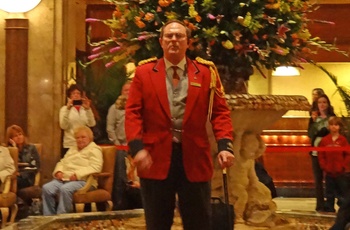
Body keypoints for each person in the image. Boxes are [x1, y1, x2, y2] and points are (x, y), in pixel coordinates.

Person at [125, 19, 235, 230]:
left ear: (188, 42)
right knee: (157, 223)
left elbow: (220, 112)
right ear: (161, 41)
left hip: (194, 158)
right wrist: (137, 148)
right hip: (154, 159)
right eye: (169, 36)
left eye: (179, 36)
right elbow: (133, 113)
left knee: (199, 222)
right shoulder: (144, 73)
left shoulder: (205, 73)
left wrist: (224, 145)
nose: (174, 40)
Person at [41, 126, 103, 215]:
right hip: (65, 179)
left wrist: (77, 175)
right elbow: (62, 162)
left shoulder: (95, 149)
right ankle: (48, 217)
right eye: (77, 138)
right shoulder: (72, 149)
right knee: (46, 188)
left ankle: (62, 217)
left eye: (83, 137)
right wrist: (59, 171)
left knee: (65, 189)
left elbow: (96, 167)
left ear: (90, 138)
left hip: (84, 181)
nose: (80, 140)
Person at [308, 94, 336, 212]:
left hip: (329, 151)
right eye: (320, 102)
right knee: (318, 179)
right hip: (316, 151)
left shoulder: (332, 118)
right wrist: (314, 122)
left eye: (324, 102)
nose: (322, 105)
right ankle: (319, 204)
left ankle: (330, 204)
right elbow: (310, 134)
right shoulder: (313, 118)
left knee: (330, 179)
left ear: (328, 104)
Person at [318, 116, 350, 212]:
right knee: (329, 192)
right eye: (331, 125)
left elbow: (348, 154)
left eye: (336, 125)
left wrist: (344, 166)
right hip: (329, 172)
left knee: (342, 192)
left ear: (339, 127)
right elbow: (321, 155)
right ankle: (329, 209)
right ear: (328, 126)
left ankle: (343, 210)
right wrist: (324, 166)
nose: (334, 127)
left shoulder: (343, 140)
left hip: (341, 172)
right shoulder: (325, 140)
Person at [5, 125, 41, 201]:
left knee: (13, 181)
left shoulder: (31, 148)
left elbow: (36, 166)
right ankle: (18, 201)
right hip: (13, 177)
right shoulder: (8, 150)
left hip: (27, 177)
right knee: (9, 180)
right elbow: (8, 165)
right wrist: (14, 149)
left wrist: (20, 174)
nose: (19, 137)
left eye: (20, 134)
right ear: (10, 139)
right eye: (15, 136)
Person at [59, 84, 96, 157]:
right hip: (70, 143)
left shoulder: (85, 109)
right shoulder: (64, 109)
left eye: (78, 93)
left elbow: (92, 124)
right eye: (73, 93)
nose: (76, 95)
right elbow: (63, 126)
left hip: (85, 144)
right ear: (69, 96)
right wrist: (68, 109)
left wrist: (88, 109)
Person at [106, 81, 131, 146]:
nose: (128, 92)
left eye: (131, 90)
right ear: (122, 92)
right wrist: (116, 142)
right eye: (126, 90)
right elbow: (110, 127)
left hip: (137, 144)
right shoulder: (114, 108)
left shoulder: (140, 107)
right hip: (120, 144)